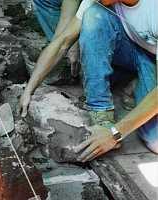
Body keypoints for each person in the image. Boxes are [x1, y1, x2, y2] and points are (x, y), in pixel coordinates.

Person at [18, 0, 158, 161]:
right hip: (134, 48)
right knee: (93, 15)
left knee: (155, 142)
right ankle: (101, 114)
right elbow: (62, 42)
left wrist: (115, 133)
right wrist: (29, 88)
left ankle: (136, 82)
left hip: (151, 59)